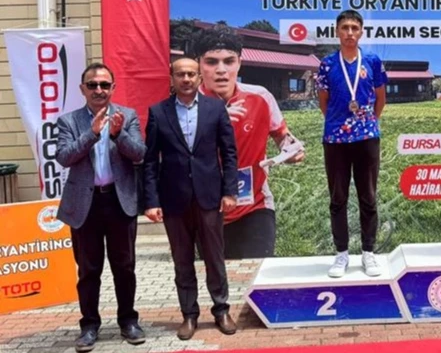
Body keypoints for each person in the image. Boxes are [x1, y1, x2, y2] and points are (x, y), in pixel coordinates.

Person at [143, 57, 239, 340]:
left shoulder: (215, 108)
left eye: (191, 74)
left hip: (210, 197)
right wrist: (151, 201)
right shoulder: (158, 112)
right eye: (180, 74)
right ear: (171, 78)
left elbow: (229, 153)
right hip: (174, 200)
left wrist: (229, 191)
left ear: (199, 78)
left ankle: (221, 309)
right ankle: (189, 314)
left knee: (214, 257)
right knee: (182, 260)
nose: (186, 79)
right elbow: (150, 161)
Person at [55, 62, 147, 352]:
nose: (98, 89)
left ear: (113, 88)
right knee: (88, 270)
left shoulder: (127, 116)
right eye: (92, 85)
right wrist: (92, 133)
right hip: (85, 204)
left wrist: (118, 134)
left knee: (125, 267)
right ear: (82, 89)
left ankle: (128, 321)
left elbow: (139, 154)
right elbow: (64, 157)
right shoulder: (68, 121)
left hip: (119, 202)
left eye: (104, 85)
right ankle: (89, 326)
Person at [193, 26, 305, 259]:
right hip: (206, 210)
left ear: (239, 63)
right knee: (219, 277)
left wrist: (290, 149)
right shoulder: (184, 107)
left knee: (258, 272)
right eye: (211, 62)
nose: (221, 70)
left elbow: (282, 135)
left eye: (229, 61)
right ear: (199, 65)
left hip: (255, 205)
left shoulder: (260, 97)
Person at [315, 10, 387, 278]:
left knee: (368, 197)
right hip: (336, 139)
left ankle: (368, 252)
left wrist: (367, 123)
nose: (349, 32)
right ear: (337, 31)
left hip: (367, 138)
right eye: (344, 27)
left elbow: (381, 98)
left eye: (354, 28)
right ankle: (341, 254)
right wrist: (340, 123)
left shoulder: (372, 61)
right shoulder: (327, 64)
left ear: (361, 32)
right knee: (338, 198)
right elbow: (324, 101)